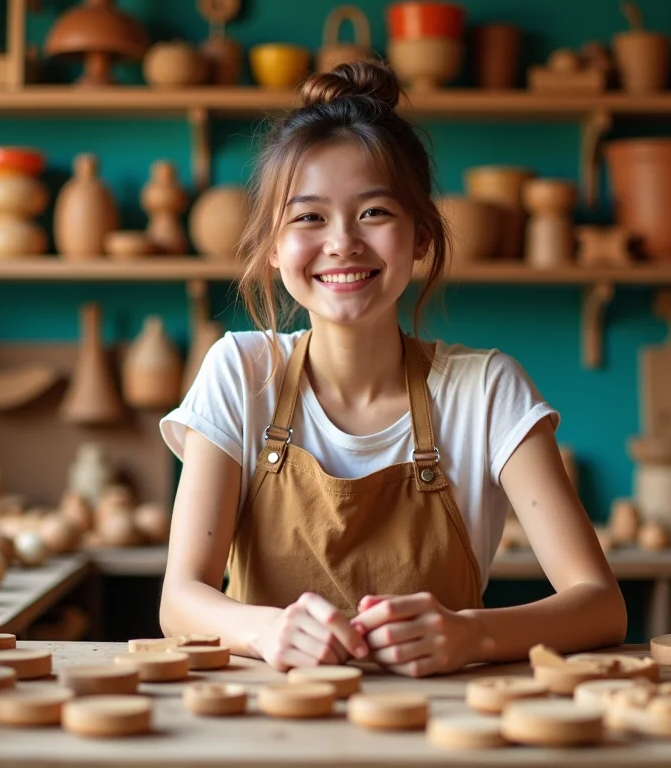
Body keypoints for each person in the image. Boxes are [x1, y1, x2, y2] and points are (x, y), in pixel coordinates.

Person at [158, 60, 626, 677]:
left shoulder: (487, 390)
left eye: (374, 212)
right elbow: (179, 601)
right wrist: (268, 630)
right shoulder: (240, 373)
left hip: (444, 728)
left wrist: (472, 634)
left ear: (422, 236)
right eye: (308, 216)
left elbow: (601, 606)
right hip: (269, 725)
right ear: (273, 247)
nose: (343, 242)